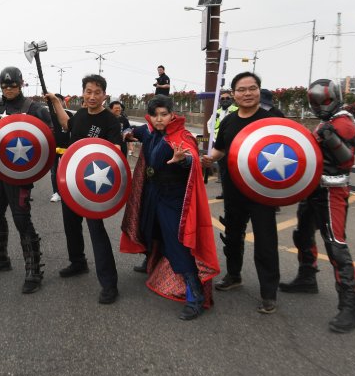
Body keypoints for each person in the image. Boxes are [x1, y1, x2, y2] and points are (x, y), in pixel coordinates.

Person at [121, 95, 220, 319]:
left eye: (164, 114)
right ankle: (152, 262)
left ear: (172, 114)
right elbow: (134, 132)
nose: (159, 119)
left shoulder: (181, 135)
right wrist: (125, 133)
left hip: (173, 198)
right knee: (148, 230)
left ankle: (194, 294)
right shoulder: (149, 132)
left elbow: (191, 155)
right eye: (155, 115)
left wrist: (182, 159)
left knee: (178, 243)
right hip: (152, 194)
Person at [279, 79, 355, 333]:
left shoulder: (343, 122)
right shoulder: (329, 121)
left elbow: (347, 161)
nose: (319, 106)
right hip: (314, 189)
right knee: (302, 234)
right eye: (315, 102)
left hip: (332, 191)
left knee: (336, 246)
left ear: (335, 97)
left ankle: (350, 302)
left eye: (323, 101)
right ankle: (307, 277)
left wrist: (328, 136)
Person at [201, 72, 280, 313]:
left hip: (263, 192)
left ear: (259, 90)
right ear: (233, 94)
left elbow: (289, 151)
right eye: (242, 89)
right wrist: (207, 159)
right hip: (234, 188)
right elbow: (219, 151)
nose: (247, 93)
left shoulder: (273, 119)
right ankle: (234, 276)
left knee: (266, 242)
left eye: (252, 88)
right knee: (233, 236)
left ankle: (269, 293)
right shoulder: (229, 121)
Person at [0, 66, 52, 294]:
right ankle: (2, 258)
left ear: (21, 84)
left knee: (21, 219)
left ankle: (34, 270)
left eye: (13, 85)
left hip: (21, 175)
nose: (9, 89)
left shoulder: (34, 109)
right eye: (5, 85)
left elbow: (49, 135)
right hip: (0, 172)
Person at [46, 75, 122, 304]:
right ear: (83, 93)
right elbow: (65, 124)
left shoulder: (110, 120)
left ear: (104, 95)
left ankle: (109, 284)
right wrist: (56, 103)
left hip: (93, 186)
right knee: (70, 224)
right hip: (71, 182)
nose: (92, 96)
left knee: (96, 231)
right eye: (88, 91)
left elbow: (115, 149)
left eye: (96, 92)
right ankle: (78, 262)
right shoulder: (79, 115)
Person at [48, 93, 73, 203]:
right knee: (54, 172)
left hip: (66, 148)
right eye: (54, 101)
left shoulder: (69, 115)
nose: (56, 103)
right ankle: (56, 193)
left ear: (63, 102)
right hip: (52, 148)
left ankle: (66, 192)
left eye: (58, 101)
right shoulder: (49, 115)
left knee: (66, 172)